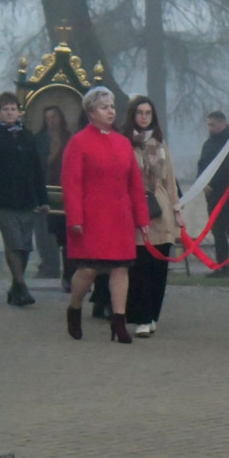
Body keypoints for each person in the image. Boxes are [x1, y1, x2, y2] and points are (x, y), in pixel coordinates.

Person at [62, 86, 149, 344]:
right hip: (92, 216)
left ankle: (119, 321)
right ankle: (75, 307)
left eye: (112, 107)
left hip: (120, 215)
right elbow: (71, 183)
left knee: (121, 268)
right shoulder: (78, 142)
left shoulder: (122, 143)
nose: (110, 111)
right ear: (90, 112)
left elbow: (135, 183)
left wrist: (142, 218)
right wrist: (75, 218)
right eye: (104, 107)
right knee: (88, 270)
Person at [0, 92, 49, 307]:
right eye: (5, 109)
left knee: (24, 245)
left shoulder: (27, 135)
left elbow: (36, 170)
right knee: (13, 241)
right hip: (1, 199)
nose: (10, 112)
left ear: (19, 112)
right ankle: (22, 285)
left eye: (13, 109)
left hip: (27, 199)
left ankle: (16, 288)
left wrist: (43, 199)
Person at [121, 96, 183, 338]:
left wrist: (177, 210)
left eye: (148, 112)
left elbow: (170, 179)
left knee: (159, 267)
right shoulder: (125, 143)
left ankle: (152, 314)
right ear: (132, 115)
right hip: (135, 206)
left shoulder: (159, 143)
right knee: (139, 267)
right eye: (140, 112)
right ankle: (141, 316)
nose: (144, 117)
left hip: (161, 207)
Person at [198, 111, 229, 277]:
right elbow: (202, 165)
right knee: (217, 231)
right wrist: (202, 183)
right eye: (209, 125)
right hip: (212, 196)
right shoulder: (209, 144)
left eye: (213, 124)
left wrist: (215, 183)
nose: (210, 128)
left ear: (222, 123)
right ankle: (221, 265)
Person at [36, 105, 74, 291]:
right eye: (48, 117)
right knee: (51, 233)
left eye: (54, 116)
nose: (51, 120)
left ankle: (69, 275)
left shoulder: (70, 138)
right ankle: (49, 265)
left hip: (67, 191)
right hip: (47, 192)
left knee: (68, 237)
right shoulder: (40, 140)